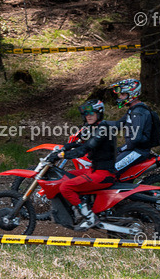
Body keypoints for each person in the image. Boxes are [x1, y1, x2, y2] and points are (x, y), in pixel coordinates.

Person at [47, 98, 118, 230]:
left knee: (66, 187)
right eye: (86, 113)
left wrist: (61, 155)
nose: (88, 116)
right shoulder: (95, 127)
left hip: (104, 173)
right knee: (65, 176)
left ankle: (89, 217)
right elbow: (79, 143)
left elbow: (85, 148)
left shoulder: (104, 129)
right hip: (94, 170)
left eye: (92, 113)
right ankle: (79, 206)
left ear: (99, 113)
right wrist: (63, 148)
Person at [111, 78, 160, 174]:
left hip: (138, 151)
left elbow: (136, 138)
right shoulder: (133, 110)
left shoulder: (138, 113)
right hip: (133, 148)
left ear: (131, 94)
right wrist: (98, 124)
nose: (120, 97)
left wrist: (122, 148)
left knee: (111, 171)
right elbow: (118, 124)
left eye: (122, 94)